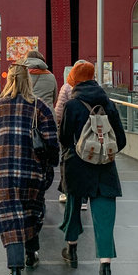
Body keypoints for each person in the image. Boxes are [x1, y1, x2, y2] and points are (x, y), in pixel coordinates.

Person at [0, 63, 59, 275]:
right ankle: (31, 252)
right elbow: (52, 142)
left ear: (9, 81)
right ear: (28, 80)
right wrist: (51, 164)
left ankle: (15, 272)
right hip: (32, 171)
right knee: (31, 213)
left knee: (10, 219)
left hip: (4, 172)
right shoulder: (40, 107)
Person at [59, 60, 126, 275]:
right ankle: (105, 271)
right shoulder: (108, 103)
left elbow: (64, 138)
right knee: (104, 219)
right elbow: (121, 140)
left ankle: (72, 249)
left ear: (75, 79)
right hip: (105, 168)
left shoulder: (73, 105)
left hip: (77, 167)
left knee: (73, 205)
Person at [55, 60, 87, 204]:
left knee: (66, 160)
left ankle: (65, 191)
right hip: (88, 132)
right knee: (86, 161)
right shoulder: (94, 87)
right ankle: (84, 197)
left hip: (69, 130)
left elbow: (60, 109)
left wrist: (57, 125)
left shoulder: (67, 87)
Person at [23, 50, 58, 116]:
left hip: (27, 115)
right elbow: (54, 97)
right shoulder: (51, 76)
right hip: (47, 115)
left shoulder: (21, 76)